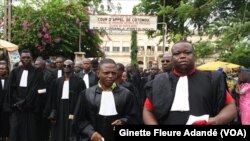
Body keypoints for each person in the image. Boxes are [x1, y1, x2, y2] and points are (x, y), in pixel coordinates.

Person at [143, 40, 236, 125]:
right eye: (177, 53)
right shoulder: (159, 81)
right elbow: (148, 110)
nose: (182, 56)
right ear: (172, 58)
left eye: (187, 53)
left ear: (194, 56)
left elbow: (230, 106)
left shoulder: (211, 79)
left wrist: (215, 120)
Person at [72, 58, 136, 141]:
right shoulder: (86, 94)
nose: (110, 76)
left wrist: (123, 121)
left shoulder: (126, 94)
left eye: (113, 73)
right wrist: (91, 133)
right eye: (106, 73)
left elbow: (134, 116)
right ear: (98, 73)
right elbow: (79, 120)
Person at [7, 49, 44, 141]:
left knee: (31, 134)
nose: (26, 59)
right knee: (15, 133)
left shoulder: (37, 71)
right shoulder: (15, 72)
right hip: (18, 109)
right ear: (20, 59)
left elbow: (37, 89)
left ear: (31, 58)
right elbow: (12, 89)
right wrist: (18, 102)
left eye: (28, 57)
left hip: (31, 109)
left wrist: (26, 102)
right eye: (23, 57)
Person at [48, 59, 86, 141]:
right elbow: (53, 98)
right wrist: (53, 111)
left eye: (69, 66)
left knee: (71, 129)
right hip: (59, 109)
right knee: (58, 130)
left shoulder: (80, 82)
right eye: (64, 66)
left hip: (73, 109)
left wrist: (77, 112)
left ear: (73, 67)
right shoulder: (57, 82)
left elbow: (82, 98)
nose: (66, 67)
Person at [0, 62, 10, 141]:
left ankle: (6, 136)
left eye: (3, 69)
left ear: (6, 70)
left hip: (7, 107)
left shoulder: (10, 80)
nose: (1, 70)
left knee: (6, 122)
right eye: (0, 69)